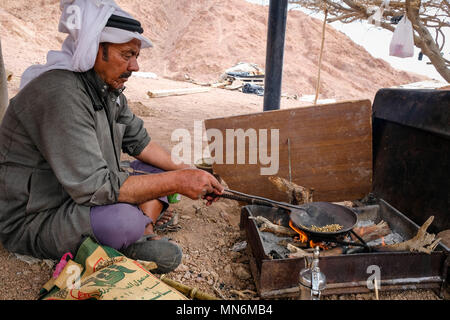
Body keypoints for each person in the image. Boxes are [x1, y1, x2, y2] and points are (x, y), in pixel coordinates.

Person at [0, 0, 223, 274]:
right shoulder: (61, 94)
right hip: (36, 218)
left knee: (158, 169)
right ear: (95, 48)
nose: (136, 66)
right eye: (127, 54)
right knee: (124, 218)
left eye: (136, 56)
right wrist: (177, 182)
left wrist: (191, 173)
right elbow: (96, 187)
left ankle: (141, 232)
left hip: (79, 196)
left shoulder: (108, 91)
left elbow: (141, 143)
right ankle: (136, 231)